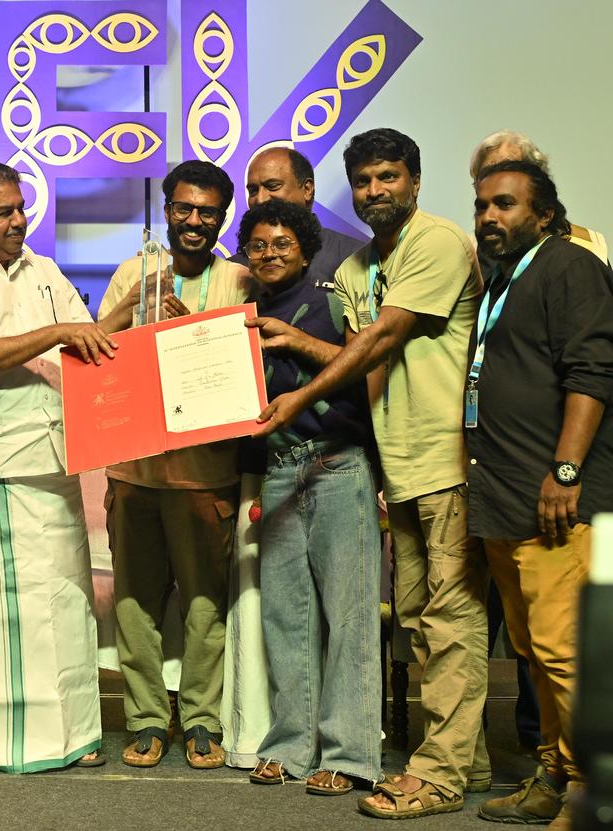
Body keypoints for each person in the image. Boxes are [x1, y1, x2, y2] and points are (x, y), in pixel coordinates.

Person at [256, 128, 489, 819]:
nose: (374, 191)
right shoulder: (357, 269)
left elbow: (381, 338)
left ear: (415, 182)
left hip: (448, 458)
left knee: (449, 618)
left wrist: (299, 393)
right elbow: (358, 353)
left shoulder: (437, 242)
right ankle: (464, 761)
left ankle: (441, 771)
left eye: (388, 177)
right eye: (362, 181)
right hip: (397, 464)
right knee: (419, 620)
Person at [0, 160, 132, 773]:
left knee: (62, 600)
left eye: (20, 208)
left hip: (53, 455)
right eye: (4, 213)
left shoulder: (42, 268)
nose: (19, 220)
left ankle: (73, 735)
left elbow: (84, 338)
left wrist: (134, 311)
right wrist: (57, 331)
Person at [467, 160, 613, 829]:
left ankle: (587, 794)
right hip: (505, 499)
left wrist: (564, 472)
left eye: (505, 204)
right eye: (482, 206)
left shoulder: (570, 267)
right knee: (532, 651)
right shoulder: (500, 280)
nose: (490, 217)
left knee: (563, 653)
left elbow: (594, 369)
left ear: (545, 214)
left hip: (554, 499)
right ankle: (552, 775)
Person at [95, 160, 248, 768]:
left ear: (221, 217)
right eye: (183, 208)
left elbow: (247, 364)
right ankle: (147, 721)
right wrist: (136, 307)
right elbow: (96, 346)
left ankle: (203, 721)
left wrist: (195, 334)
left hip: (205, 475)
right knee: (135, 604)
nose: (193, 221)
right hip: (134, 473)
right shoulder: (134, 271)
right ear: (166, 210)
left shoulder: (238, 278)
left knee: (205, 605)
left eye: (206, 212)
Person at [235, 200, 381, 794]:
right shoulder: (241, 315)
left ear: (305, 248)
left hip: (338, 465)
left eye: (283, 243)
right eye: (259, 245)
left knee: (348, 617)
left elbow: (365, 364)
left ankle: (347, 757)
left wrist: (294, 340)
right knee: (284, 618)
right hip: (277, 472)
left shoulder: (332, 298)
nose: (270, 253)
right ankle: (291, 747)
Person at [469, 131, 608, 263]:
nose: (497, 181)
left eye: (511, 169)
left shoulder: (585, 247)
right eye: (487, 175)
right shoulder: (467, 251)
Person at [243, 146, 366, 286]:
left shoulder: (354, 258)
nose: (260, 199)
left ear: (307, 189)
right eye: (253, 191)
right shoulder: (237, 271)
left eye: (273, 186)